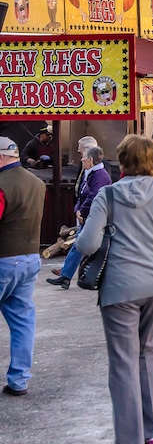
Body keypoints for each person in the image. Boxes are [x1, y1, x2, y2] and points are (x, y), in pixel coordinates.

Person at [75, 134, 153, 443]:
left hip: (119, 288)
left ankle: (128, 437)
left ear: (123, 162)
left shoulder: (107, 196)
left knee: (123, 363)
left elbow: (88, 243)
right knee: (146, 352)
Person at [0, 136, 45, 397]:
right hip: (30, 259)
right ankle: (19, 380)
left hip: (4, 259)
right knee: (23, 322)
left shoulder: (2, 185)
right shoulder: (37, 184)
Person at [47, 145, 112, 288]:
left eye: (83, 158)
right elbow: (81, 193)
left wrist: (82, 211)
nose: (81, 160)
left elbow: (93, 195)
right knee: (78, 245)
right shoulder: (91, 172)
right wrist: (78, 209)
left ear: (90, 160)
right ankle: (66, 275)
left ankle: (68, 275)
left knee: (83, 246)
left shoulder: (99, 175)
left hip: (95, 216)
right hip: (90, 215)